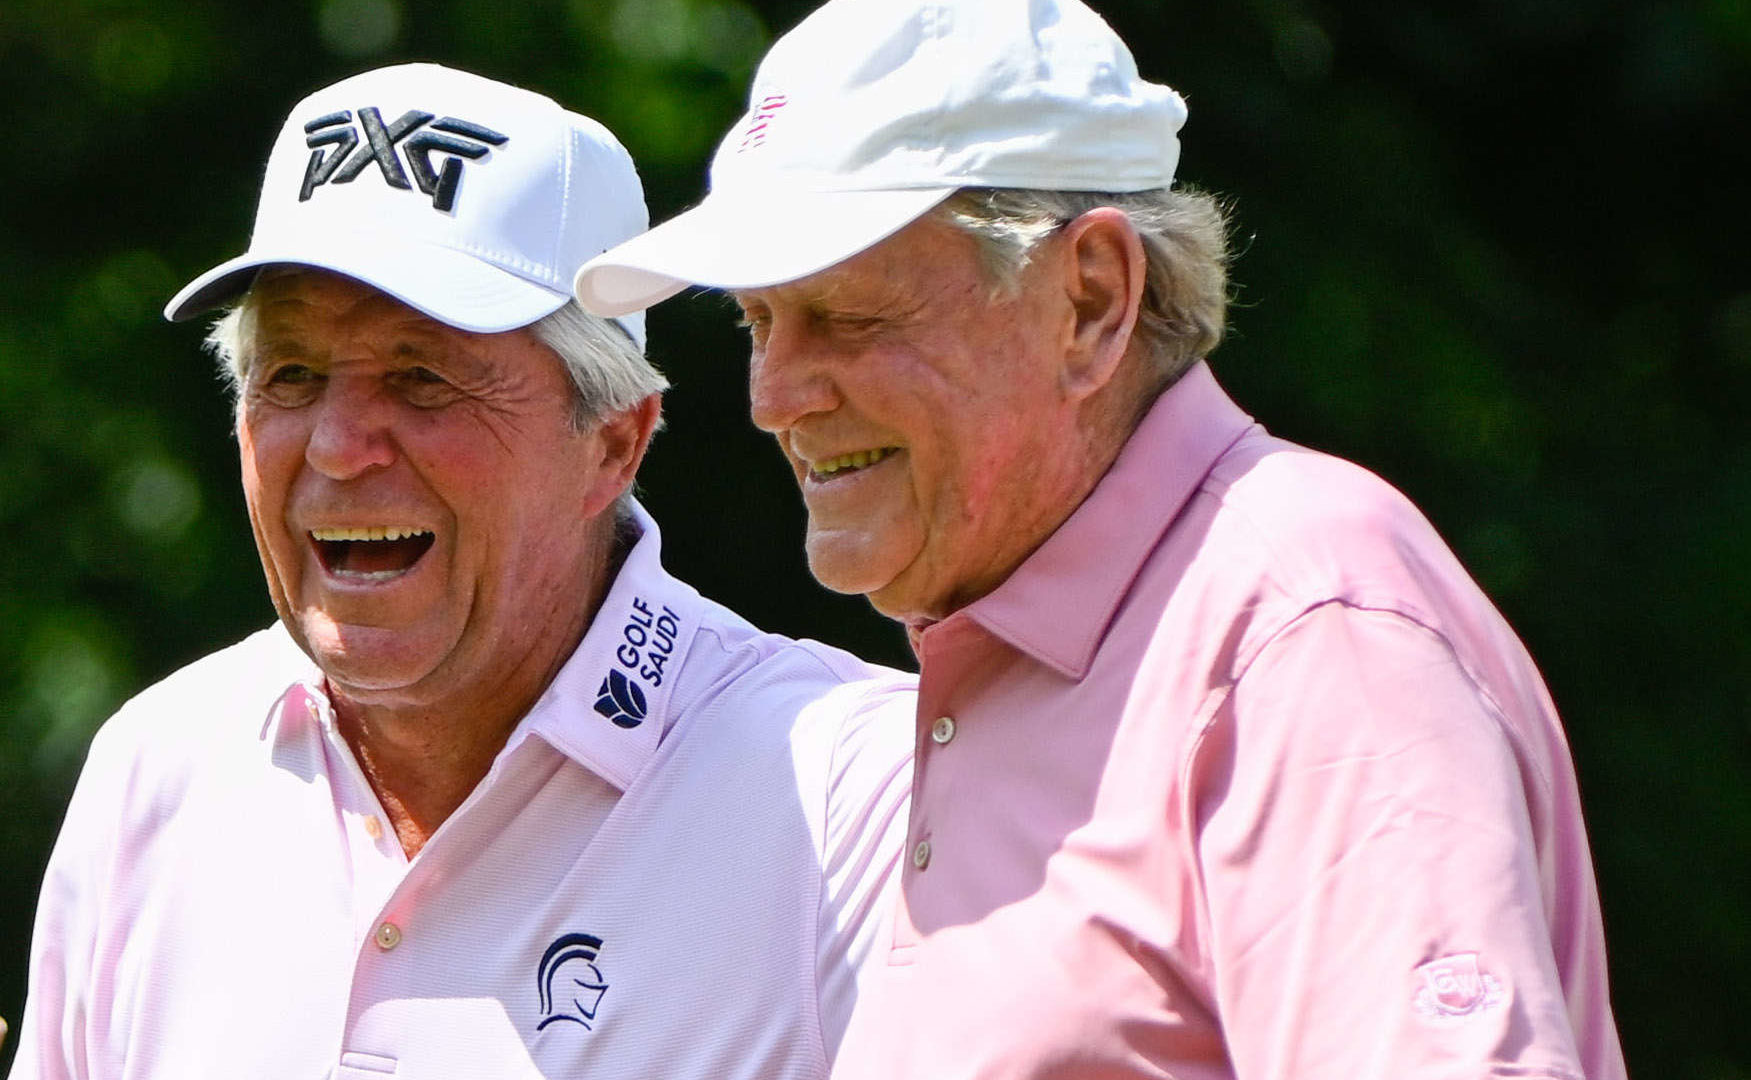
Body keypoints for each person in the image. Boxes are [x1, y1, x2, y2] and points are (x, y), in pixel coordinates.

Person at [573, 1, 1629, 1077]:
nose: (772, 396)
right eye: (757, 320)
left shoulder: (1302, 634)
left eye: (844, 314)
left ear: (1089, 300)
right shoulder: (1018, 653)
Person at [8, 63, 914, 1080]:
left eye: (421, 377)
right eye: (292, 375)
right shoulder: (158, 767)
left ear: (612, 442)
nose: (340, 446)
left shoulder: (861, 794)